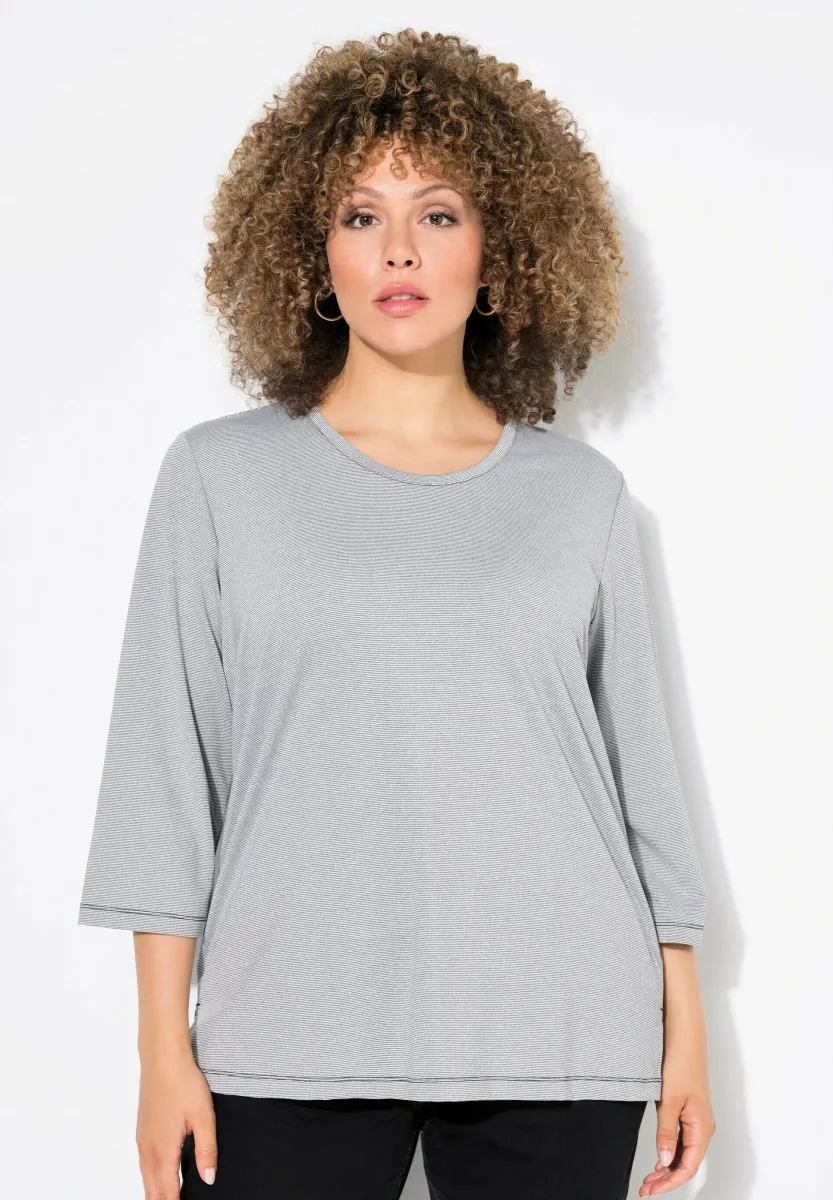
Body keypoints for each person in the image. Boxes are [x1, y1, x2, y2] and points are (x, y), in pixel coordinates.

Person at [77, 27, 715, 1200]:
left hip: (559, 1028)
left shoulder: (580, 496)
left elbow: (642, 788)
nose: (399, 249)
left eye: (439, 213)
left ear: (500, 249)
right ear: (309, 252)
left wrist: (684, 1030)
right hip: (286, 1026)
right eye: (360, 215)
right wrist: (160, 1049)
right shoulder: (218, 477)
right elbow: (162, 777)